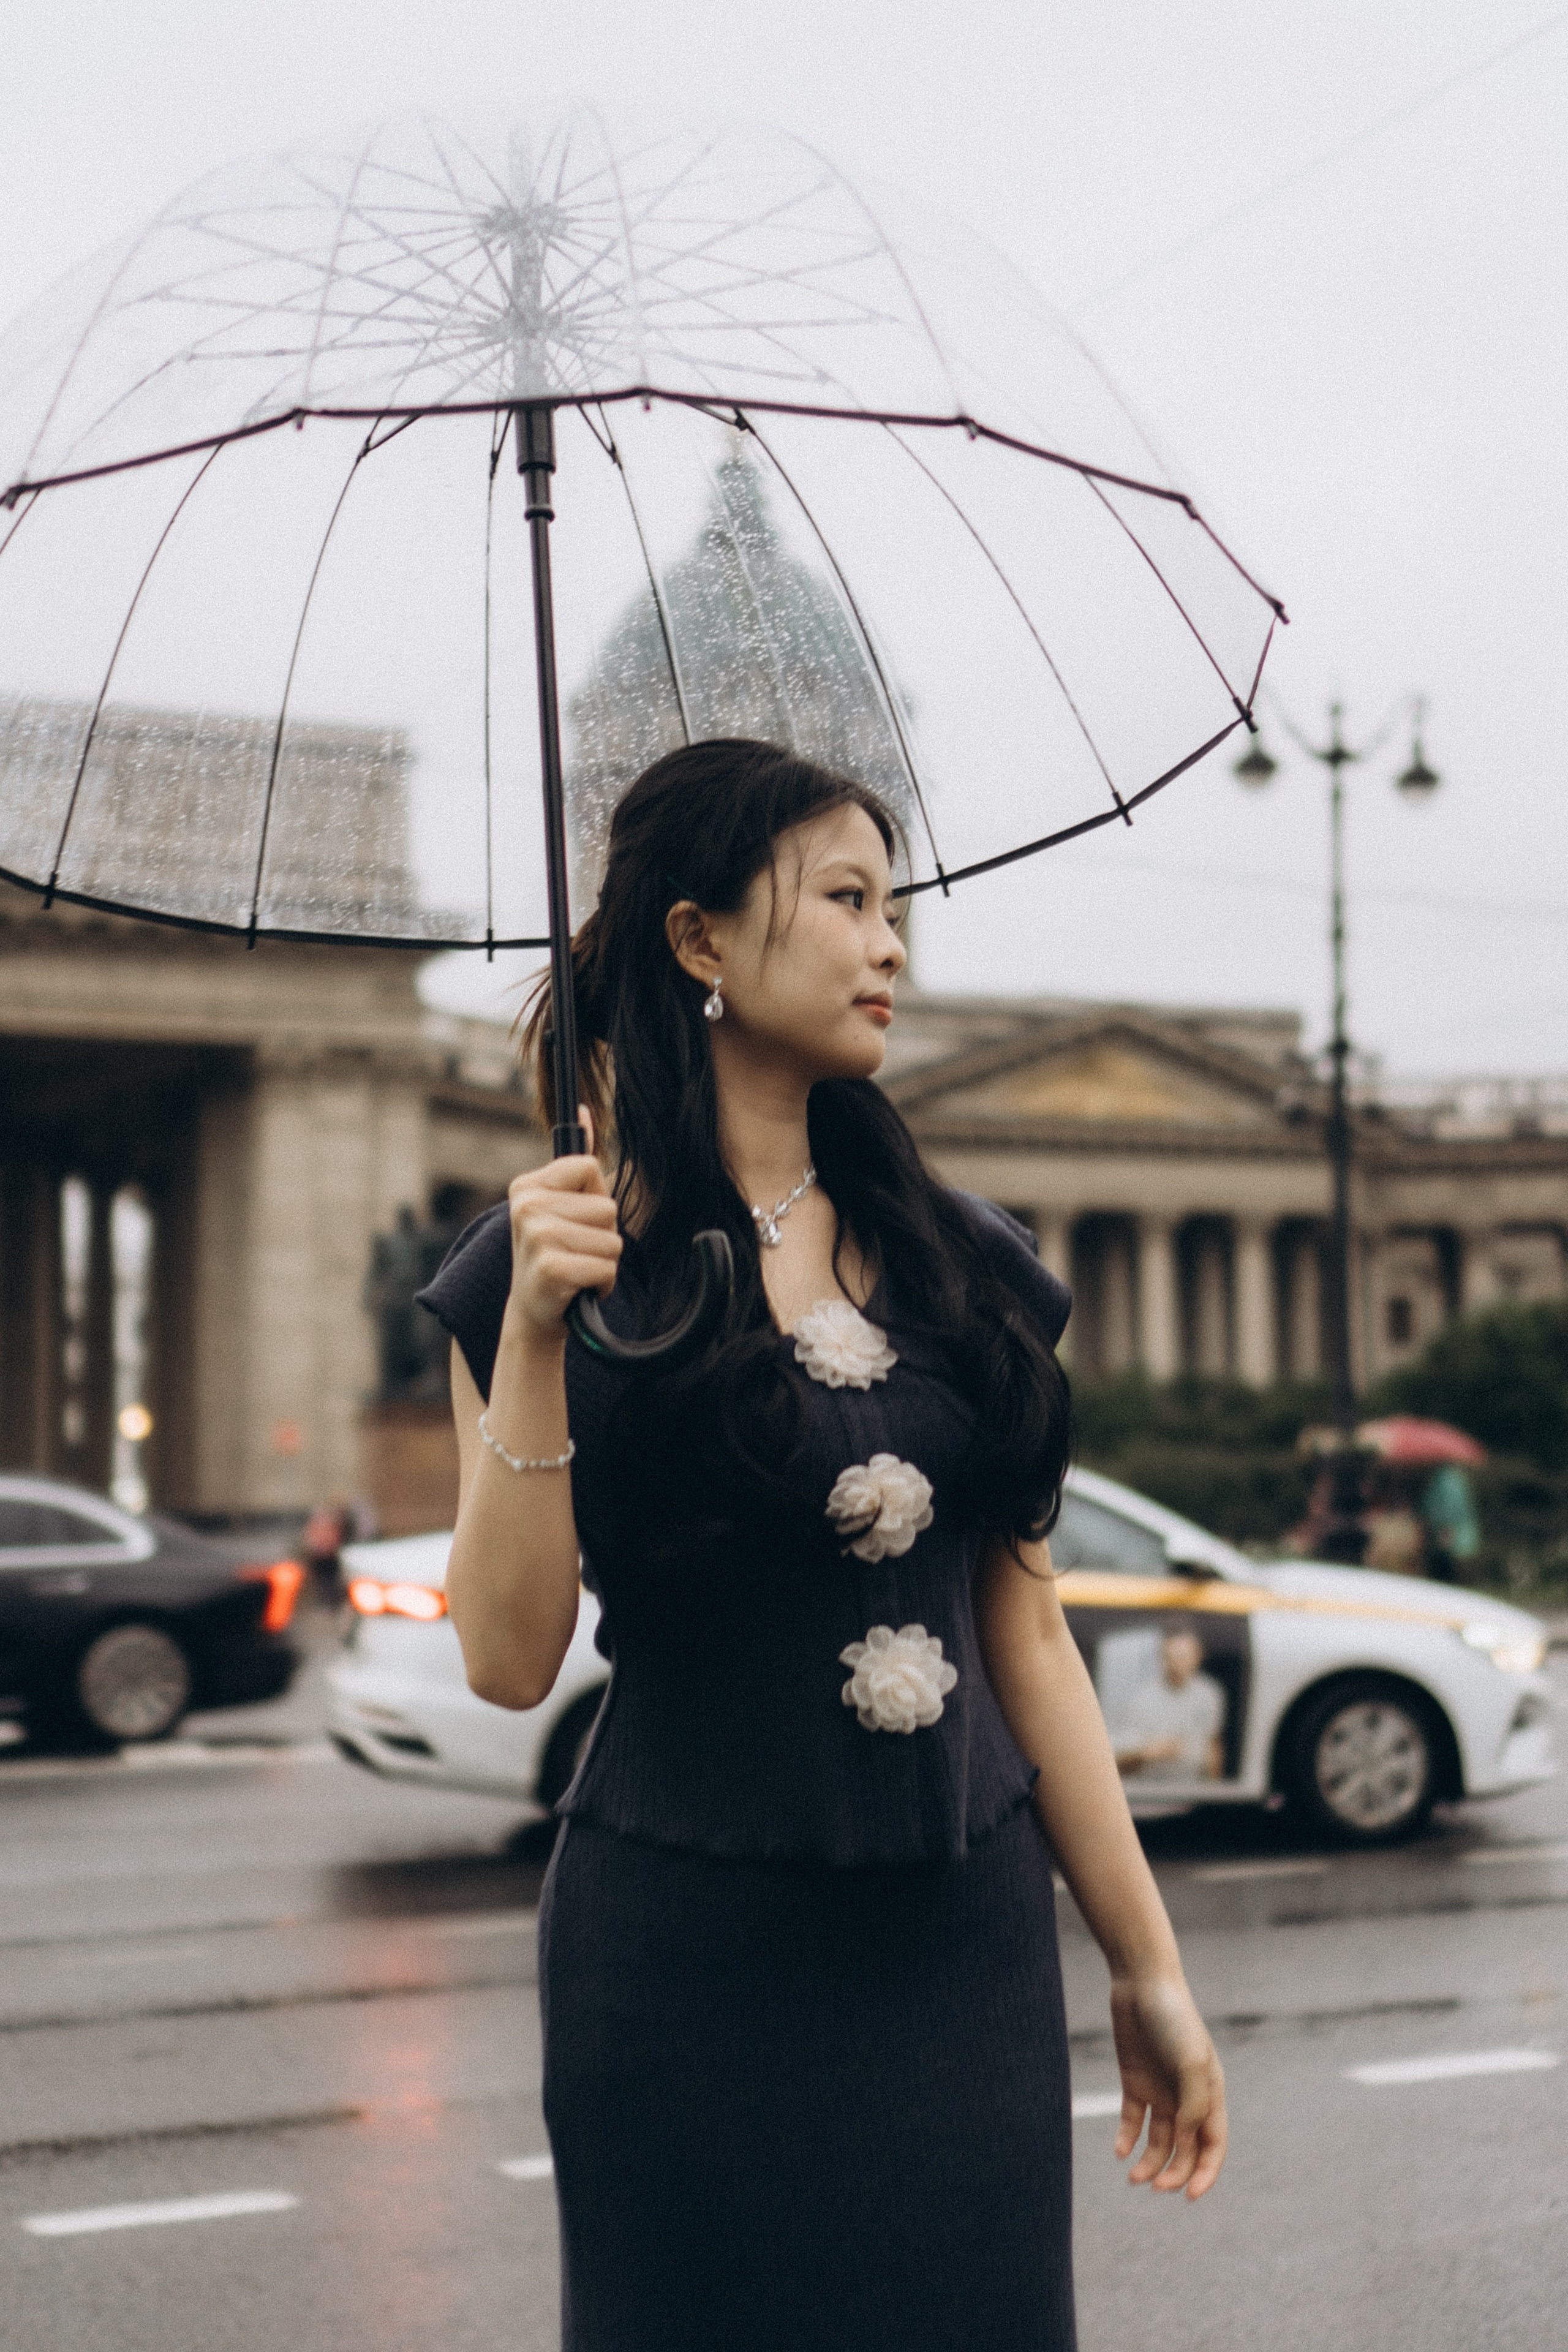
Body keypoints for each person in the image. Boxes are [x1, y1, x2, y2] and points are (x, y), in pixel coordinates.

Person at [417, 741, 1226, 2352]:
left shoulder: (966, 1262)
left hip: (963, 1949)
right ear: (701, 940)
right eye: (849, 900)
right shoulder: (549, 1262)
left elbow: (1031, 1639)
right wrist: (529, 1334)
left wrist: (1148, 1964)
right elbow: (510, 1663)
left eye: (896, 906)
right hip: (681, 1964)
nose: (892, 947)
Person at [1112, 1625, 1226, 1783]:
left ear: (1198, 1656)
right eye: (1174, 1656)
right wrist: (1148, 1753)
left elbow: (1213, 1745)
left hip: (1194, 1791)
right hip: (1151, 1792)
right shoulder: (1141, 1700)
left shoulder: (1209, 1694)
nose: (1180, 1663)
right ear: (1163, 1658)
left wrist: (1214, 1792)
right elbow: (1117, 1761)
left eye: (1186, 1656)